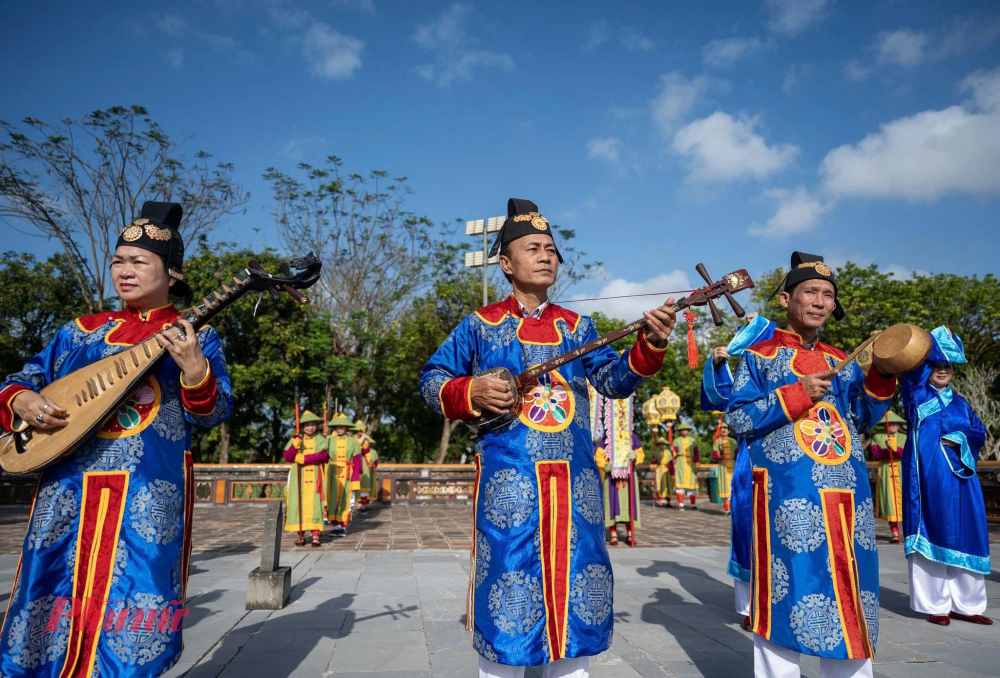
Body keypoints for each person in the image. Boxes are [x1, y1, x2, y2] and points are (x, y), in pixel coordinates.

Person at [420, 198, 676, 678]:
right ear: (505, 263)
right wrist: (470, 388)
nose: (546, 256)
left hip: (576, 486)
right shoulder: (480, 325)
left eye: (552, 249)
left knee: (576, 592)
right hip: (511, 484)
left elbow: (613, 382)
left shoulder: (579, 327)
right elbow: (431, 380)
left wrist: (652, 343)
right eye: (533, 248)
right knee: (510, 588)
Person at [0, 202, 233, 677]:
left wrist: (192, 369)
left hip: (147, 488)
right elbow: (20, 379)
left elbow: (214, 414)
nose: (124, 271)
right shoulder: (79, 333)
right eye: (118, 261)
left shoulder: (197, 335)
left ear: (172, 274)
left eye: (139, 262)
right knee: (51, 579)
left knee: (139, 586)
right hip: (69, 482)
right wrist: (22, 400)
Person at [727, 251, 896, 678]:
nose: (820, 302)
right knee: (789, 593)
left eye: (827, 295)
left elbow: (861, 418)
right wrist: (796, 393)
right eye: (810, 293)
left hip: (848, 497)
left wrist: (881, 374)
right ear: (786, 300)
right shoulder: (759, 357)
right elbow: (737, 418)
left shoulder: (842, 359)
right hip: (789, 498)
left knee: (853, 595)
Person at [900, 326, 991, 626]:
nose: (942, 371)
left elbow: (978, 431)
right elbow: (910, 370)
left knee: (968, 531)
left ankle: (968, 604)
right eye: (936, 365)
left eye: (947, 367)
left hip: (962, 478)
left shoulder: (961, 403)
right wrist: (932, 346)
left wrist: (960, 439)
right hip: (928, 479)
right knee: (933, 527)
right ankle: (936, 604)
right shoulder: (915, 394)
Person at [700, 312, 776, 628]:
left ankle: (782, 600)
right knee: (749, 526)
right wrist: (717, 364)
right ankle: (752, 606)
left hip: (790, 457)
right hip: (752, 457)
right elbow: (720, 399)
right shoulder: (744, 378)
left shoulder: (789, 367)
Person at [593, 397, 643, 547]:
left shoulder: (632, 437)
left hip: (628, 476)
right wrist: (607, 466)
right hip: (611, 477)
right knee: (611, 505)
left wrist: (635, 458)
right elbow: (599, 455)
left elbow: (640, 453)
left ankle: (629, 533)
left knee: (629, 504)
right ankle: (613, 533)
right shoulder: (607, 438)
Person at [283, 410, 329, 546]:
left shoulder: (321, 439)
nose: (310, 427)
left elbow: (324, 456)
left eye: (313, 424)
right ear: (302, 427)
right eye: (307, 425)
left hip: (315, 474)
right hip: (298, 476)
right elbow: (288, 457)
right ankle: (301, 536)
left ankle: (315, 536)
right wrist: (295, 446)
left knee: (315, 504)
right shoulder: (296, 438)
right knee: (298, 504)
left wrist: (304, 458)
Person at [868, 411, 906, 545]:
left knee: (906, 502)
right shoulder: (878, 437)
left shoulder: (904, 437)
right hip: (886, 471)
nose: (894, 426)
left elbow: (906, 453)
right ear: (886, 425)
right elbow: (876, 454)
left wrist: (894, 448)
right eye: (892, 424)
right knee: (890, 503)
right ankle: (894, 533)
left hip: (902, 470)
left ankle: (907, 532)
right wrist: (888, 450)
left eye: (896, 424)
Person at [325, 413, 360, 537]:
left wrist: (355, 479)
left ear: (346, 428)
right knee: (332, 498)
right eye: (337, 426)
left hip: (347, 472)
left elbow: (357, 462)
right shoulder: (329, 440)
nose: (339, 429)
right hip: (332, 472)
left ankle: (343, 526)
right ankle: (335, 526)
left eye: (342, 426)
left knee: (347, 500)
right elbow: (323, 455)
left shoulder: (354, 442)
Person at [353, 420, 379, 511]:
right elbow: (354, 449)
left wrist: (364, 441)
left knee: (364, 485)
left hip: (363, 464)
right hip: (354, 463)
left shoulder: (365, 440)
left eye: (361, 430)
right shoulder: (352, 439)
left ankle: (363, 505)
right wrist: (361, 441)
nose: (359, 432)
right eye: (358, 430)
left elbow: (365, 451)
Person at [672, 422, 699, 510]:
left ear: (688, 431)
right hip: (680, 462)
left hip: (690, 462)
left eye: (685, 430)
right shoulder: (676, 440)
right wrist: (672, 450)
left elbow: (696, 453)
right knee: (681, 483)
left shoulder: (693, 441)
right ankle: (681, 504)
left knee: (692, 483)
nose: (684, 431)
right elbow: (674, 454)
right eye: (682, 430)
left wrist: (697, 465)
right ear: (680, 431)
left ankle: (693, 505)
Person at [713, 424, 737, 516]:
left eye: (726, 428)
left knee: (734, 487)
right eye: (722, 428)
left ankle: (734, 509)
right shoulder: (717, 441)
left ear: (729, 431)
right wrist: (721, 451)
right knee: (725, 487)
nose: (724, 430)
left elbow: (737, 454)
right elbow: (715, 456)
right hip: (723, 465)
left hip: (733, 465)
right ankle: (727, 510)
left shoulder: (733, 441)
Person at [650, 440, 674, 508]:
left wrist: (672, 471)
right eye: (661, 444)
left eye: (663, 444)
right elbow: (653, 461)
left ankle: (668, 501)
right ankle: (659, 501)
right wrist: (654, 459)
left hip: (667, 469)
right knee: (660, 485)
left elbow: (672, 461)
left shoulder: (668, 452)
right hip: (659, 469)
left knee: (668, 485)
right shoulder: (656, 452)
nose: (662, 446)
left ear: (665, 445)